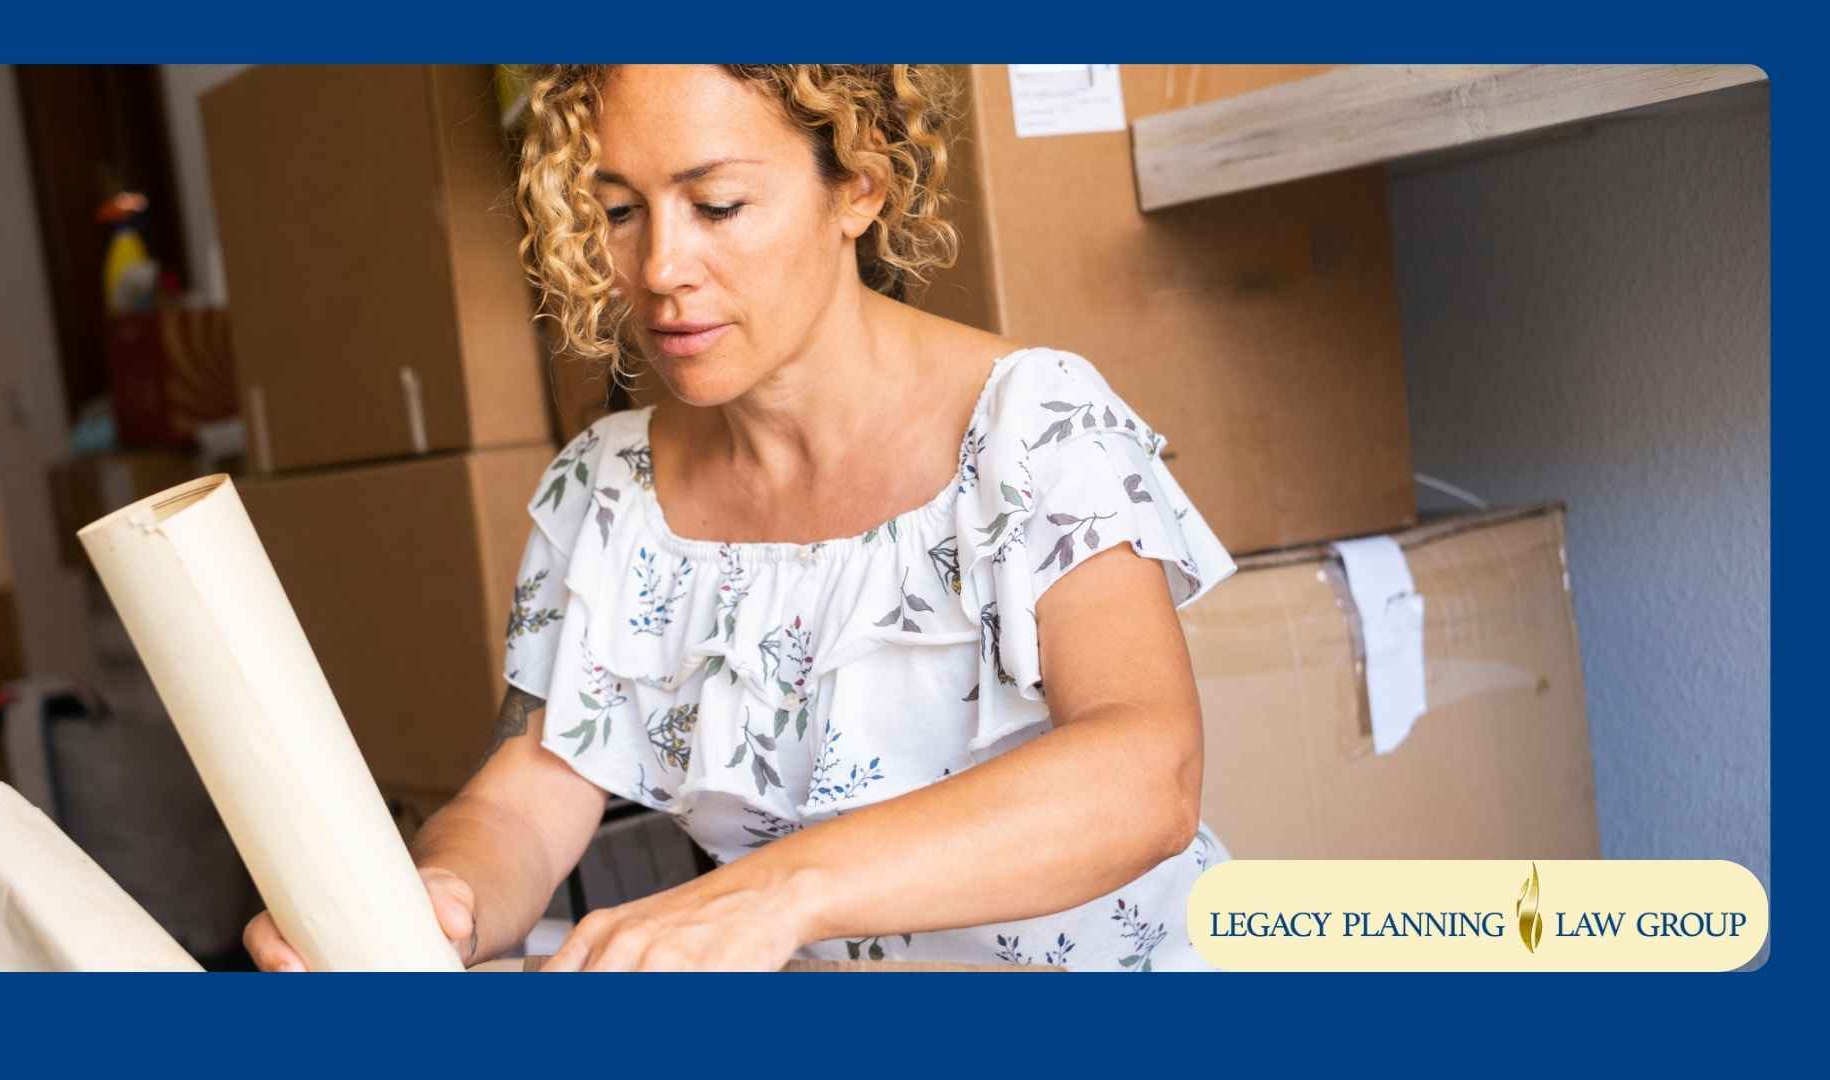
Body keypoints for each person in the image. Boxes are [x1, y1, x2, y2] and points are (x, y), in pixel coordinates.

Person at [245, 63, 1237, 973]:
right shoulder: (609, 487)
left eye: (717, 205)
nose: (660, 267)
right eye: (621, 210)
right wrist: (440, 897)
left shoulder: (1030, 426)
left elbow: (1146, 772)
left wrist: (776, 892)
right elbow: (526, 792)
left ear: (859, 185)